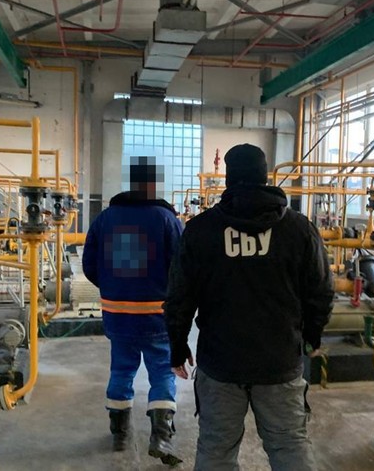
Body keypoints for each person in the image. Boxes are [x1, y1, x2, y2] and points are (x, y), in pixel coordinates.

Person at [163, 144, 334, 471]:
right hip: (279, 360)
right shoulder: (298, 229)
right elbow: (321, 291)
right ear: (264, 176)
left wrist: (177, 345)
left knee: (216, 450)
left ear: (228, 179)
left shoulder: (201, 230)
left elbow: (179, 296)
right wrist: (312, 336)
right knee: (289, 445)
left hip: (221, 364)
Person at [82, 156, 183, 465]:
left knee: (121, 370)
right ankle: (161, 436)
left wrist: (114, 288)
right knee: (162, 371)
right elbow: (182, 267)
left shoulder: (105, 218)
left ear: (131, 182)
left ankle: (119, 432)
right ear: (154, 185)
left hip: (118, 314)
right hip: (157, 315)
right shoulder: (166, 219)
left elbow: (89, 265)